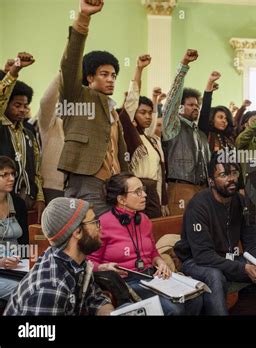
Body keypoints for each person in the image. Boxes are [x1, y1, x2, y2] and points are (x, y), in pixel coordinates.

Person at [174, 153, 256, 315]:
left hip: (227, 259)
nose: (231, 179)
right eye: (223, 174)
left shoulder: (241, 201)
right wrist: (244, 268)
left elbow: (252, 243)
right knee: (215, 277)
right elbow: (203, 256)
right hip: (196, 262)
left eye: (234, 173)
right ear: (211, 181)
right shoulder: (198, 205)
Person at [88, 173, 202, 315]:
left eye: (143, 189)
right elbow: (89, 262)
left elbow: (152, 251)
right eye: (138, 192)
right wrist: (104, 267)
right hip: (126, 284)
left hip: (152, 278)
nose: (145, 195)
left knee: (195, 298)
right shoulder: (103, 223)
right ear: (121, 199)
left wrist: (160, 262)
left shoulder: (144, 219)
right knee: (174, 309)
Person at [59, 0, 129, 217]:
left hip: (115, 185)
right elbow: (70, 64)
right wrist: (84, 18)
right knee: (90, 236)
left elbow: (120, 151)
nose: (111, 80)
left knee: (111, 238)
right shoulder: (77, 95)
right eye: (104, 74)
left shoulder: (112, 109)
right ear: (89, 77)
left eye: (114, 75)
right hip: (86, 179)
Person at [5, 197, 114, 315]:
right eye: (94, 222)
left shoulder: (76, 263)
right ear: (77, 232)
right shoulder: (50, 287)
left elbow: (95, 299)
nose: (100, 227)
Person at [119, 55, 169, 218]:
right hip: (135, 189)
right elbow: (132, 101)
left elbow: (159, 175)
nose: (148, 116)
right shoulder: (127, 134)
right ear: (133, 114)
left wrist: (162, 200)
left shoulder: (150, 139)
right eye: (142, 112)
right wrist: (139, 69)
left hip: (152, 191)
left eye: (150, 113)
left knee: (154, 231)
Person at [162, 49, 210, 216]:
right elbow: (171, 101)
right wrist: (183, 67)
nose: (195, 107)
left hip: (203, 188)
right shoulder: (173, 127)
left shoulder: (201, 134)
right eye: (191, 104)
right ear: (180, 107)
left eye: (197, 105)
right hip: (181, 187)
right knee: (178, 233)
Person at [0, 53, 45, 223]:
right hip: (3, 198)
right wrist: (15, 68)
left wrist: (39, 197)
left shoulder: (28, 132)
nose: (22, 110)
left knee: (25, 244)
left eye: (25, 106)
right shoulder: (1, 127)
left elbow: (37, 169)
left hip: (27, 201)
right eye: (17, 105)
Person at [0, 156, 28, 302]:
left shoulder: (18, 203)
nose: (11, 178)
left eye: (12, 174)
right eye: (4, 174)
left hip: (17, 267)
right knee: (24, 292)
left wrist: (22, 261)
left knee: (39, 284)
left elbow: (25, 243)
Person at [37, 74, 65, 205]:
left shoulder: (84, 125)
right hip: (53, 189)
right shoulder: (50, 123)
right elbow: (46, 101)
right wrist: (63, 72)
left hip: (79, 188)